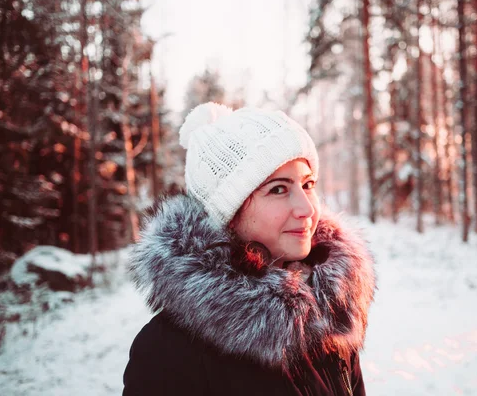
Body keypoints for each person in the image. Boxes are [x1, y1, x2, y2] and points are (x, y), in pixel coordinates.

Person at [123, 102, 376, 396]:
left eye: (308, 185)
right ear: (228, 215)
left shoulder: (328, 312)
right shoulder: (169, 352)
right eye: (278, 189)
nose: (307, 208)